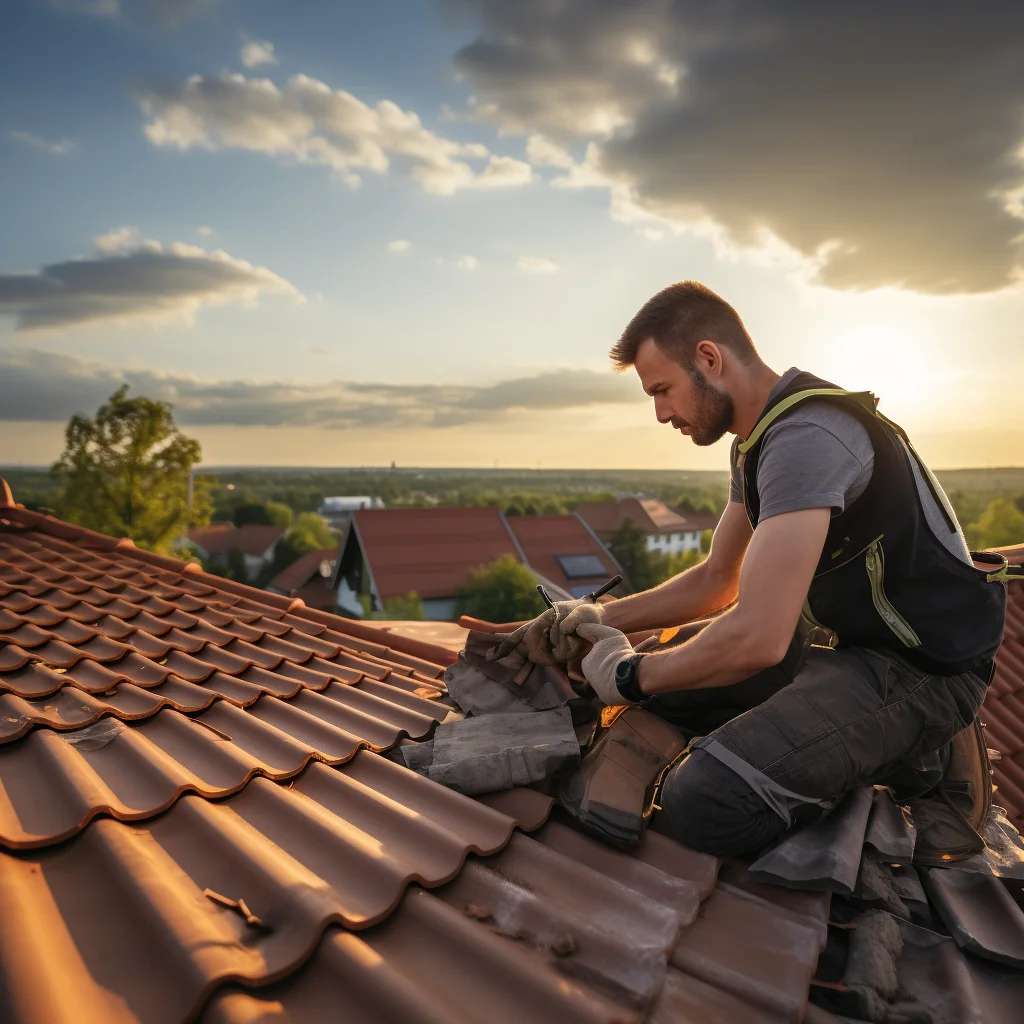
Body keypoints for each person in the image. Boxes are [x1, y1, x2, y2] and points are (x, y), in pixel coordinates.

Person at [510, 281, 1012, 858]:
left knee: (704, 802)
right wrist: (598, 616)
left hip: (921, 670)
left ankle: (920, 752)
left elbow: (759, 637)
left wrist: (627, 675)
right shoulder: (756, 441)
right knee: (671, 689)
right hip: (850, 642)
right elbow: (716, 579)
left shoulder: (806, 438)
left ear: (709, 359)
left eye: (663, 390)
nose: (660, 412)